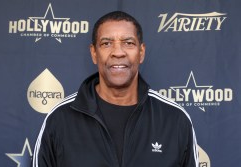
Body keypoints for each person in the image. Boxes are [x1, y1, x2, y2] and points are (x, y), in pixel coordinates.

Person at [32, 11, 199, 167]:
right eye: (106, 43)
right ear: (94, 53)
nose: (118, 52)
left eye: (128, 43)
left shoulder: (175, 120)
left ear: (141, 52)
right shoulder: (60, 119)